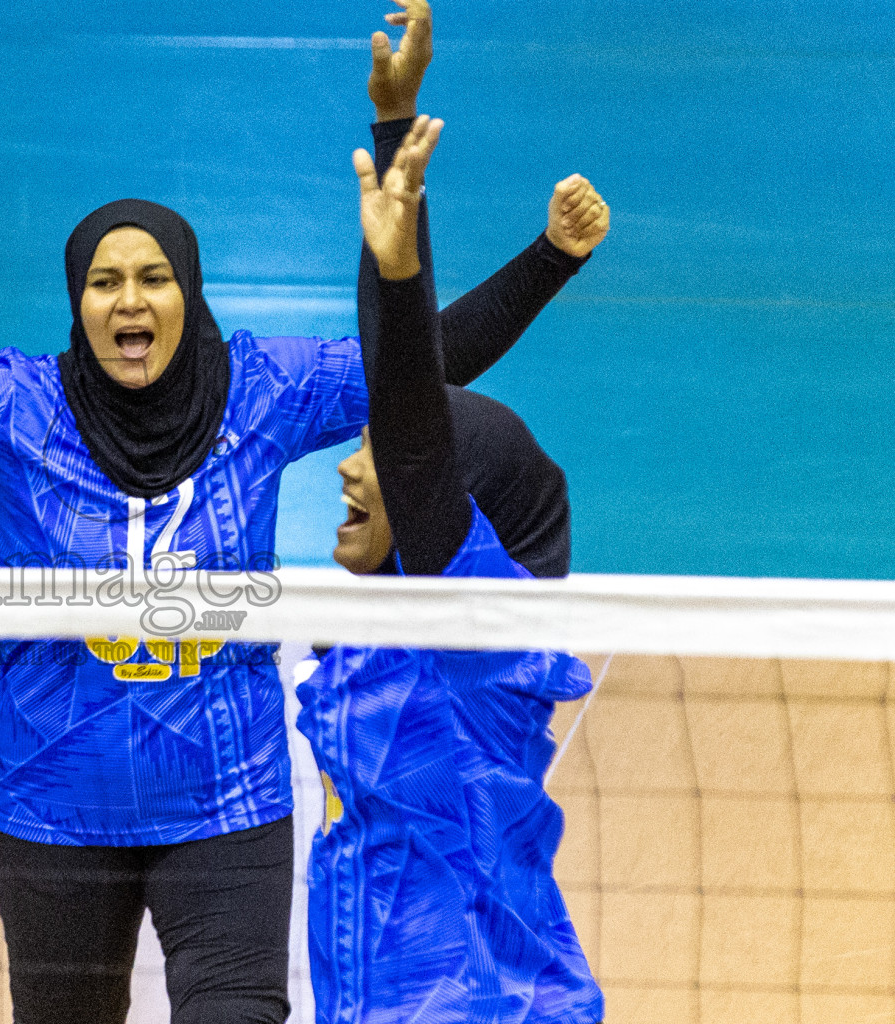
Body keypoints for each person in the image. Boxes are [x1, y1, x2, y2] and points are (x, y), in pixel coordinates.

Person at [0, 4, 600, 1019]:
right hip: (53, 812)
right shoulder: (6, 413)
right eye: (105, 281)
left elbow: (414, 366)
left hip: (226, 808)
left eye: (153, 277)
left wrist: (545, 257)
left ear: (188, 291)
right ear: (78, 300)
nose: (129, 300)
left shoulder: (263, 391)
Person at [294, 115, 607, 1024]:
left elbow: (411, 418)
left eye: (377, 452)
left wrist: (398, 268)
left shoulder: (479, 639)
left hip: (474, 1001)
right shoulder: (373, 632)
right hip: (369, 993)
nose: (350, 467)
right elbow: (399, 389)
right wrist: (395, 129)